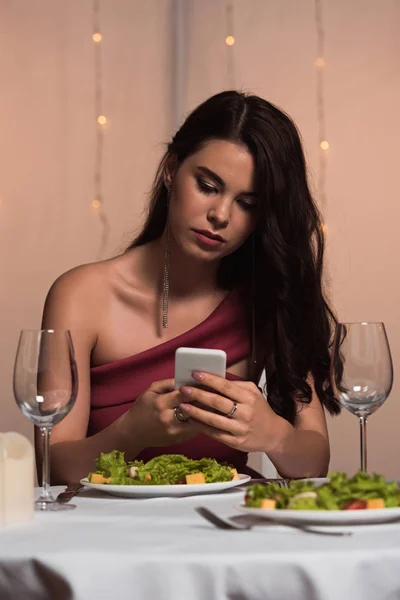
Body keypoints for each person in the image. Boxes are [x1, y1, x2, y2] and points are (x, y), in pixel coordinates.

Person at [38, 90, 340, 485]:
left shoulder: (265, 297)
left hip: (228, 528)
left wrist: (275, 434)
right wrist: (130, 434)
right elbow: (51, 468)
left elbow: (314, 465)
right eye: (208, 185)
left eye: (247, 203)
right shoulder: (81, 295)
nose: (220, 215)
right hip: (110, 535)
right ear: (171, 169)